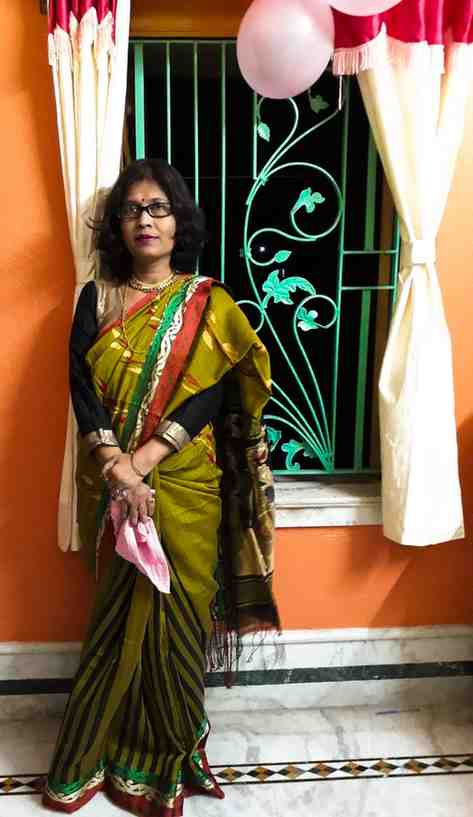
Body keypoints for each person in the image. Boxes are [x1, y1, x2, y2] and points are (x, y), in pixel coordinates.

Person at [43, 158, 278, 816]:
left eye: (158, 208)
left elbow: (213, 393)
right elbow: (81, 389)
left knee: (177, 620)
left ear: (180, 223)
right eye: (132, 209)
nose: (145, 220)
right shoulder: (96, 297)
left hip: (185, 482)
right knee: (116, 616)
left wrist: (144, 459)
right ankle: (101, 748)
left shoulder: (209, 301)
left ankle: (171, 749)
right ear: (116, 225)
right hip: (114, 481)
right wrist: (116, 466)